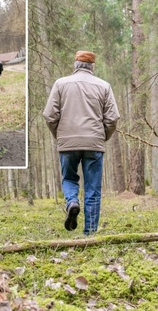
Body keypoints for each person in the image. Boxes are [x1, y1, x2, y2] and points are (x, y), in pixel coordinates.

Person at [43, 50, 120, 235]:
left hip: (67, 142)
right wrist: (102, 137)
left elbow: (49, 115)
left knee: (69, 178)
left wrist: (60, 136)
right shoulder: (104, 86)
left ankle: (72, 202)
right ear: (92, 66)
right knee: (93, 189)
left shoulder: (60, 84)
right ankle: (90, 233)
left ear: (75, 65)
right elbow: (113, 118)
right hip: (94, 143)